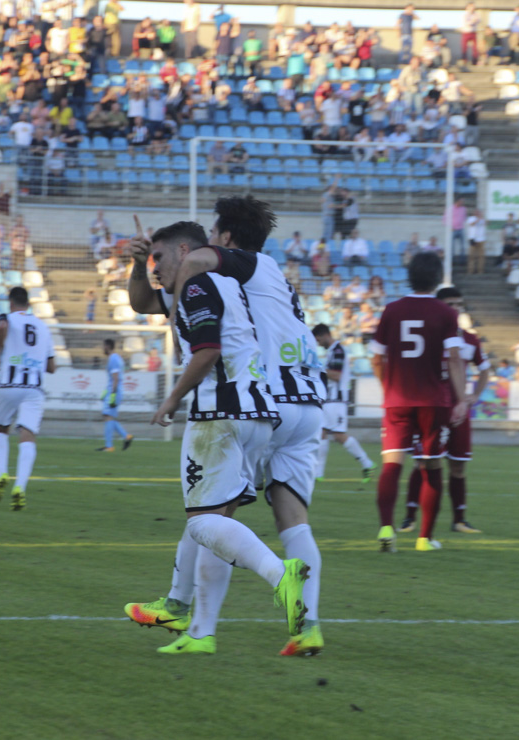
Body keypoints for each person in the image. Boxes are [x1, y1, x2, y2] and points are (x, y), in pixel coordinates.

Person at [125, 200, 327, 657]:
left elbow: (195, 264)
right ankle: (307, 627)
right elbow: (145, 301)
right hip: (307, 404)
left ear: (227, 240)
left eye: (215, 236)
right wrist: (145, 266)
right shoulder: (262, 280)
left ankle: (196, 621)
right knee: (290, 523)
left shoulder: (235, 268)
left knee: (212, 517)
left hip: (258, 401)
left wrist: (178, 267)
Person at [369, 252, 468, 553]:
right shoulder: (447, 314)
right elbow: (453, 359)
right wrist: (461, 399)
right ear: (437, 278)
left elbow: (376, 358)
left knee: (391, 465)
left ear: (409, 276)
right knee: (431, 465)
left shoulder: (391, 310)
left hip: (397, 400)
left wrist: (388, 387)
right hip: (433, 401)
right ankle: (424, 538)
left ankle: (387, 526)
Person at [401, 287, 488, 535]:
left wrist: (473, 397)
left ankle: (459, 519)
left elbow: (484, 369)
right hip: (431, 408)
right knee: (423, 463)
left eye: (459, 303)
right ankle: (410, 518)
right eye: (451, 303)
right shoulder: (427, 337)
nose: (456, 308)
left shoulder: (470, 340)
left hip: (459, 412)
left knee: (458, 466)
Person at [0, 287, 56, 511]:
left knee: (0, 428)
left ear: (10, 303)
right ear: (29, 304)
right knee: (27, 436)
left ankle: (1, 474)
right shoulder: (43, 326)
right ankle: (20, 487)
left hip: (9, 383)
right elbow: (52, 366)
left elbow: (1, 326)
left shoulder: (6, 318)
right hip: (33, 387)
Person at [312, 324, 375, 481]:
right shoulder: (333, 351)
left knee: (338, 435)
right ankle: (318, 473)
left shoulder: (338, 350)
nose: (318, 344)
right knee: (322, 433)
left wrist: (316, 369)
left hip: (336, 400)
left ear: (325, 335)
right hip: (331, 400)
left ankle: (367, 463)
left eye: (318, 340)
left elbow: (336, 375)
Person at [98, 338, 133, 451]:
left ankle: (109, 446)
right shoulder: (116, 358)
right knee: (108, 416)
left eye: (103, 346)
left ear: (107, 346)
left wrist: (112, 394)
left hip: (114, 392)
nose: (102, 348)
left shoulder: (113, 359)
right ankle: (126, 436)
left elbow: (116, 378)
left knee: (108, 416)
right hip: (113, 391)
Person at [467, 208, 487, 274]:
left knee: (481, 256)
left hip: (481, 240)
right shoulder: (471, 218)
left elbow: (487, 223)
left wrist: (482, 217)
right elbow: (471, 224)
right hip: (473, 239)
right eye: (476, 212)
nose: (478, 214)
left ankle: (480, 270)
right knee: (472, 256)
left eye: (479, 212)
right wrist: (478, 219)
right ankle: (471, 270)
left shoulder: (482, 219)